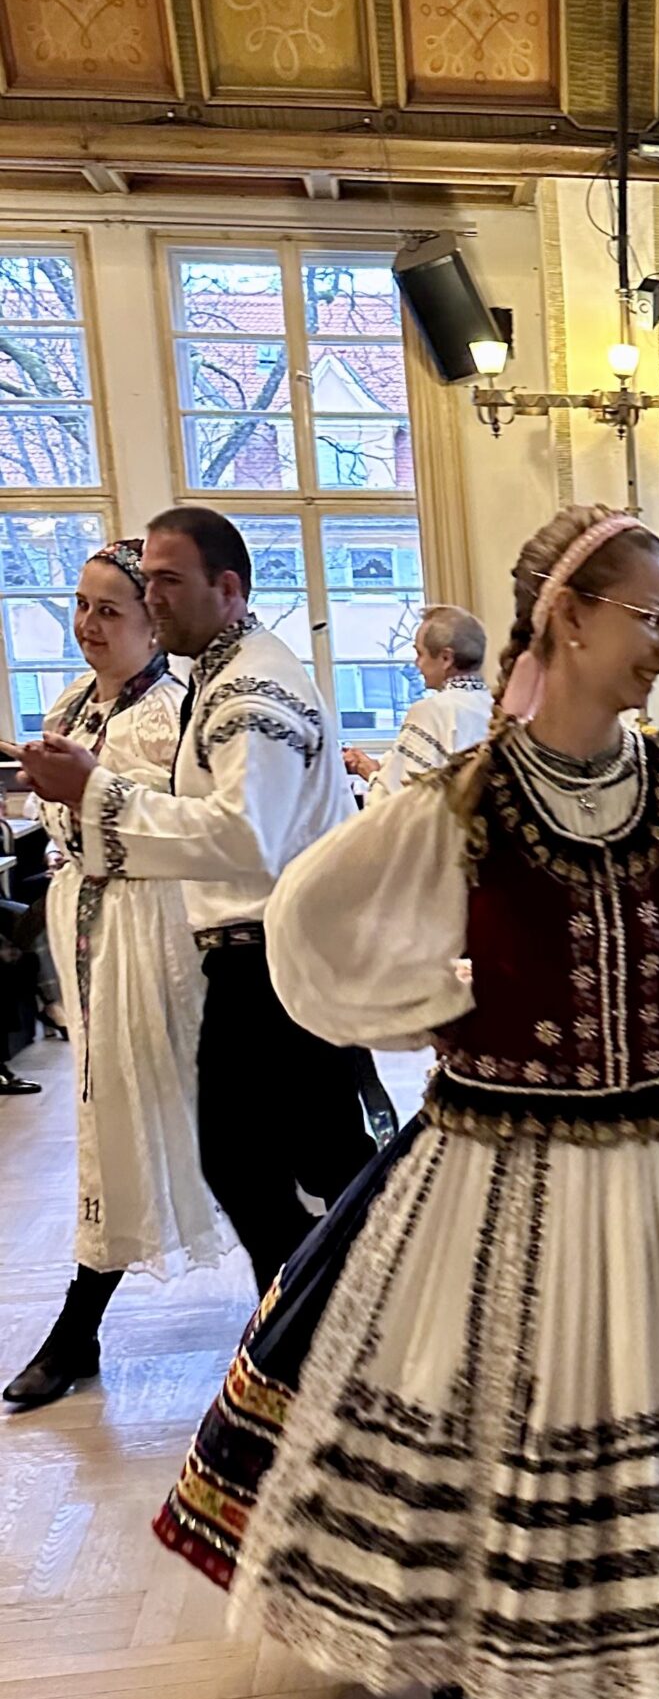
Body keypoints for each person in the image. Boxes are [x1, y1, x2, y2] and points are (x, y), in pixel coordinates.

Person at [155, 505, 659, 1699]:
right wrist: (439, 1001)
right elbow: (310, 922)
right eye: (650, 619)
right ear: (570, 618)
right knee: (503, 1422)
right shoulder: (465, 797)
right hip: (505, 1158)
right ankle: (482, 1675)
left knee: (643, 1431)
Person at [18, 506, 374, 1295]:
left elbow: (248, 836)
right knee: (283, 1160)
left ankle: (336, 1311)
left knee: (278, 1161)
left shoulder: (251, 687)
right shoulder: (225, 671)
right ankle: (323, 1314)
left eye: (169, 582)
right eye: (147, 581)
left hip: (275, 960)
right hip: (258, 957)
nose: (154, 598)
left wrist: (96, 791)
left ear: (229, 588)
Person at [5, 542, 228, 1410]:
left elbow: (196, 828)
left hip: (154, 927)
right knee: (110, 1111)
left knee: (178, 1110)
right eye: (81, 604)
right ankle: (82, 1322)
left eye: (110, 609)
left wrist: (95, 795)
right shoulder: (72, 703)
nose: (88, 624)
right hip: (88, 921)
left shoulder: (175, 716)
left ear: (152, 622)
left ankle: (82, 1322)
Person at [346, 604, 493, 798]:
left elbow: (400, 800)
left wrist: (371, 775)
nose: (417, 664)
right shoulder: (498, 707)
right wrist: (378, 767)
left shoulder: (432, 711)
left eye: (420, 654)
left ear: (446, 658)